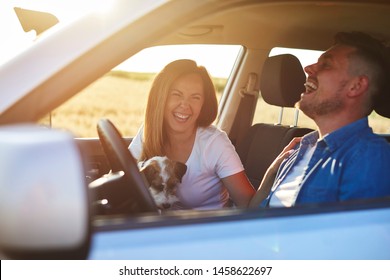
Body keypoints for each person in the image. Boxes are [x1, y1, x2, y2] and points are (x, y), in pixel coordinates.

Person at [250, 31, 390, 208]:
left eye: (326, 65)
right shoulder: (299, 150)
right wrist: (270, 177)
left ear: (356, 86)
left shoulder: (370, 158)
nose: (308, 68)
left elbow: (354, 234)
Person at [129, 59, 255, 209]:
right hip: (161, 227)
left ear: (204, 103)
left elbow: (249, 205)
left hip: (206, 229)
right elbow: (123, 179)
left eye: (195, 97)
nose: (185, 105)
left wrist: (271, 175)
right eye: (176, 94)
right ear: (161, 98)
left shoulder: (215, 143)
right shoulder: (149, 132)